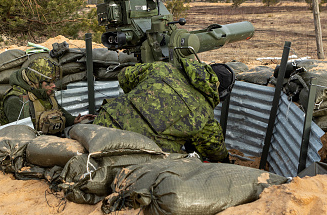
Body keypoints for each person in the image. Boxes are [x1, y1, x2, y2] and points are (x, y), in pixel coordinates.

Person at [93, 58, 230, 163]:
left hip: (102, 126)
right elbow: (215, 150)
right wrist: (226, 159)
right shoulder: (204, 114)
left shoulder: (163, 68)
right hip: (134, 152)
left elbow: (125, 75)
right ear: (221, 94)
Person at [0, 57, 95, 134]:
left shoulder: (43, 91)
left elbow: (56, 108)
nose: (54, 85)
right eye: (49, 83)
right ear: (35, 82)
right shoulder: (17, 99)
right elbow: (21, 135)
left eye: (54, 82)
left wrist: (73, 120)